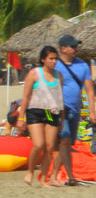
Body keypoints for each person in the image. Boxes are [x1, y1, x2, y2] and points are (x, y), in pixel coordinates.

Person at [51, 34, 96, 185]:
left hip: (76, 110)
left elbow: (89, 89)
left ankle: (57, 174)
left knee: (67, 143)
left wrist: (92, 110)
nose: (76, 49)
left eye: (77, 46)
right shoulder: (55, 65)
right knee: (64, 139)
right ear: (63, 49)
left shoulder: (82, 65)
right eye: (73, 46)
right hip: (59, 110)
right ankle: (69, 175)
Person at [17, 46, 65, 187]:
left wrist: (62, 118)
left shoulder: (59, 76)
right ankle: (30, 172)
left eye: (56, 59)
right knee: (39, 144)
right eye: (51, 58)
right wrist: (20, 117)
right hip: (35, 111)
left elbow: (60, 98)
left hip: (50, 112)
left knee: (49, 148)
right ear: (43, 59)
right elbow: (26, 97)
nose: (54, 61)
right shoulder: (34, 74)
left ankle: (44, 180)